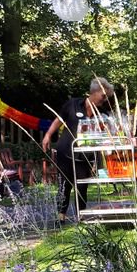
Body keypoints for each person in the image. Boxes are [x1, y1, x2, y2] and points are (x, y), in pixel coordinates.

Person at [41, 76, 114, 219]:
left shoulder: (102, 113)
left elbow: (107, 131)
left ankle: (81, 215)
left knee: (82, 185)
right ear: (94, 91)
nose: (104, 99)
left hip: (85, 155)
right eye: (103, 95)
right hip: (66, 150)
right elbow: (58, 119)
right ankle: (61, 215)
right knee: (64, 184)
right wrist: (48, 135)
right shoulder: (73, 104)